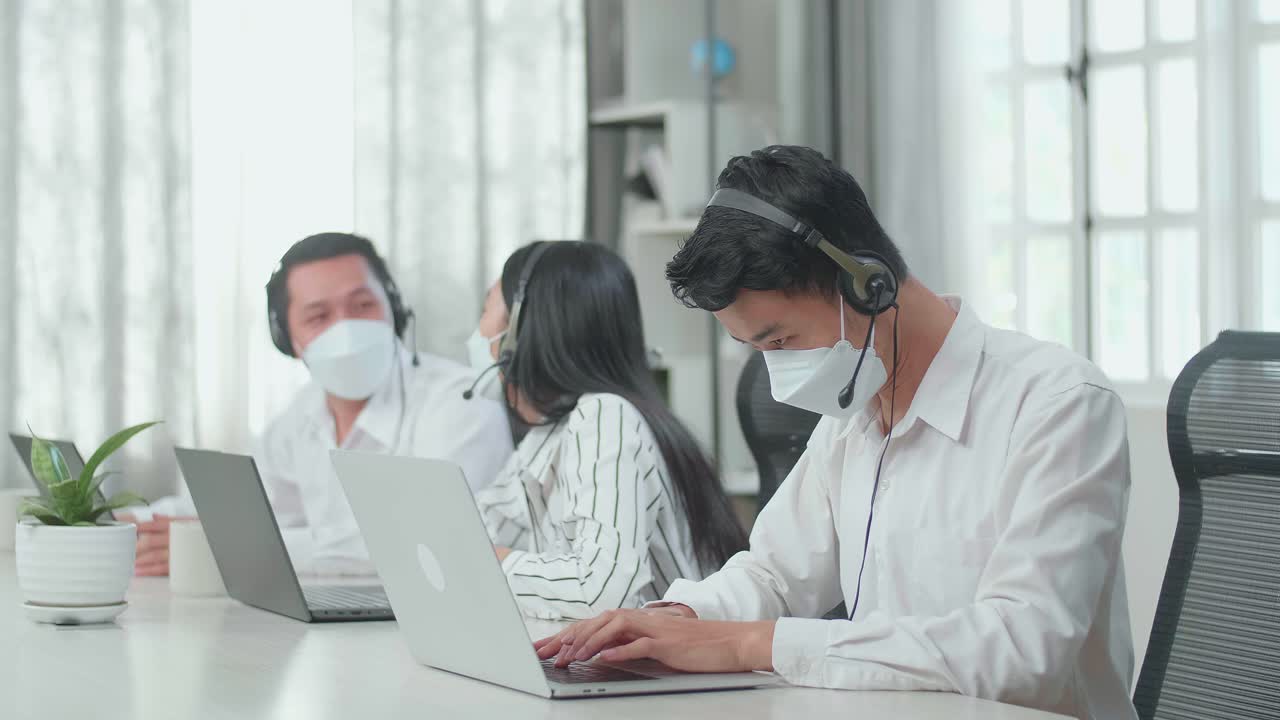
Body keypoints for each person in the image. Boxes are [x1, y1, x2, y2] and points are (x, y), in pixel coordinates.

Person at [534, 147, 1137, 720]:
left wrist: (752, 645)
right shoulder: (853, 419)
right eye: (756, 350)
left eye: (779, 341)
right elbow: (773, 573)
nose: (776, 375)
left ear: (867, 286)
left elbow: (1021, 650)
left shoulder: (1057, 404)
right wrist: (675, 619)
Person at [129, 232, 514, 576]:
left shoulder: (461, 402)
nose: (346, 328)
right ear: (289, 340)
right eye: (319, 316)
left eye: (363, 305)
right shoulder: (302, 414)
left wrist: (235, 550)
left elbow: (433, 542)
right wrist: (129, 524)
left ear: (394, 310)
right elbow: (253, 511)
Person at [464, 241, 748, 620]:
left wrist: (493, 564)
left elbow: (597, 591)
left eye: (486, 311)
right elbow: (480, 527)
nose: (478, 330)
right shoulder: (552, 433)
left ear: (519, 332)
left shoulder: (606, 417)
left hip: (663, 673)